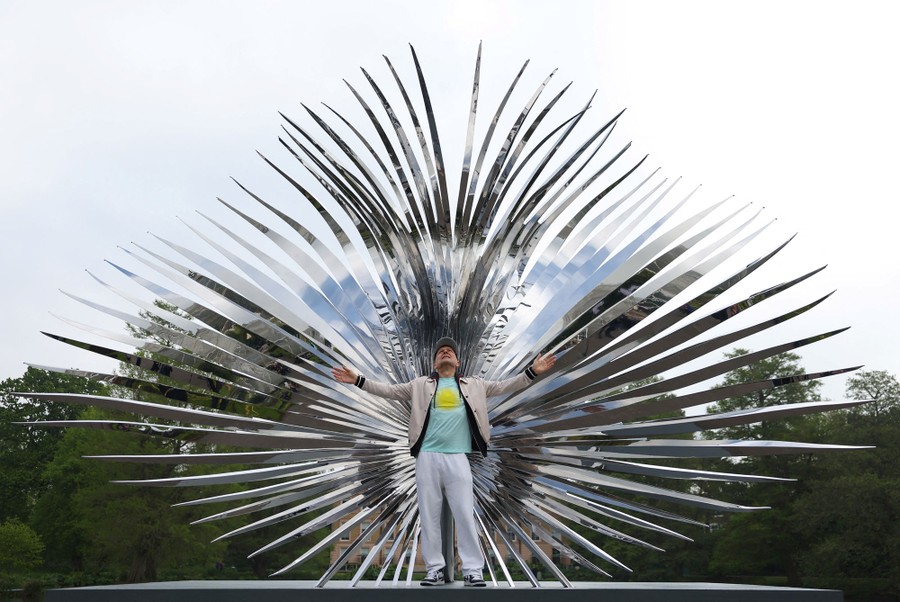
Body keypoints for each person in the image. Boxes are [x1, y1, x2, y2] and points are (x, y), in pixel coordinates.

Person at [332, 337, 556, 587]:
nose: (445, 351)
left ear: (458, 362)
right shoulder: (419, 385)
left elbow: (507, 385)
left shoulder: (476, 385)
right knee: (429, 516)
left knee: (464, 513)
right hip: (427, 456)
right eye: (441, 352)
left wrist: (533, 371)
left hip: (458, 457)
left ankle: (472, 570)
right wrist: (358, 380)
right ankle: (434, 569)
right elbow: (389, 391)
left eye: (450, 350)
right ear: (435, 363)